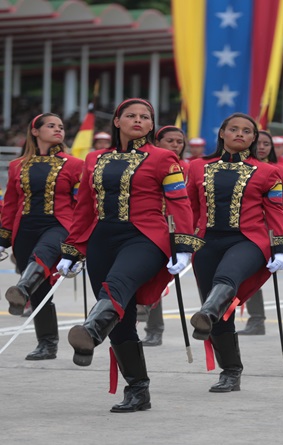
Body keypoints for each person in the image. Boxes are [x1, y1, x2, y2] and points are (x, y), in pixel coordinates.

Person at [57, 98, 202, 413]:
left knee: (118, 283)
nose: (138, 120)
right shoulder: (94, 159)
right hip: (102, 240)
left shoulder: (165, 159)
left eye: (145, 117)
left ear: (151, 125)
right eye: (131, 115)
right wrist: (72, 248)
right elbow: (83, 207)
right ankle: (138, 390)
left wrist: (184, 244)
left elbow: (180, 204)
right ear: (117, 121)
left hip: (147, 237)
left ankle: (93, 328)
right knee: (121, 321)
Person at [186, 113, 283, 392]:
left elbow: (277, 212)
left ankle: (207, 311)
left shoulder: (269, 173)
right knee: (223, 316)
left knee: (226, 279)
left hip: (249, 241)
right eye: (234, 129)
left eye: (247, 131)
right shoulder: (197, 167)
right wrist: (183, 243)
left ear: (254, 138)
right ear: (222, 133)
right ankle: (230, 371)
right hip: (207, 243)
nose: (240, 134)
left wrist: (281, 247)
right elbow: (191, 209)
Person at [0, 113, 82, 360]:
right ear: (35, 131)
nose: (58, 130)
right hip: (24, 228)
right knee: (41, 290)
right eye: (51, 126)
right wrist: (3, 240)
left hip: (59, 225)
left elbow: (82, 203)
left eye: (61, 127)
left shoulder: (75, 164)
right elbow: (10, 205)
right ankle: (47, 344)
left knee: (42, 256)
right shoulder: (17, 166)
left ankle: (21, 290)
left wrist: (81, 242)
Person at [134, 125, 189, 348]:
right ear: (157, 143)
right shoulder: (148, 163)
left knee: (156, 280)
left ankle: (154, 329)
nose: (176, 145)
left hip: (173, 227)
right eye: (170, 141)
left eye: (179, 141)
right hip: (149, 226)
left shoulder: (187, 167)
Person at [238, 130, 283, 336]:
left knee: (253, 275)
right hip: (241, 228)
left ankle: (257, 320)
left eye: (266, 144)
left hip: (267, 231)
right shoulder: (238, 168)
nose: (262, 147)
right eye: (259, 143)